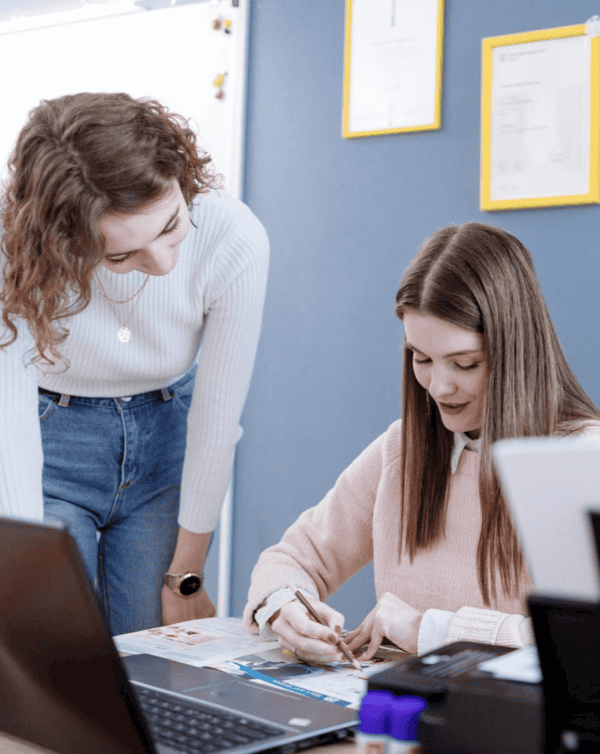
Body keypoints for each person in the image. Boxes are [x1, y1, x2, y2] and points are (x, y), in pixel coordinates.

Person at [243, 222, 600, 660]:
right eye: (422, 358)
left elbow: (585, 642)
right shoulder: (402, 450)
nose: (438, 387)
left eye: (465, 364)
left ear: (516, 352)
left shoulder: (584, 460)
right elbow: (292, 557)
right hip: (405, 700)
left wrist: (430, 630)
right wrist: (285, 608)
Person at [0, 92, 269, 635]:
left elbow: (216, 423)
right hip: (50, 443)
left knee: (154, 646)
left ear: (179, 177)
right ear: (64, 244)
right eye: (120, 256)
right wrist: (21, 580)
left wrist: (187, 577)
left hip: (166, 439)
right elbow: (8, 428)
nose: (164, 264)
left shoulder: (233, 235)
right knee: (53, 637)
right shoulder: (15, 251)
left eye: (170, 226)